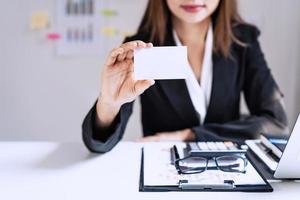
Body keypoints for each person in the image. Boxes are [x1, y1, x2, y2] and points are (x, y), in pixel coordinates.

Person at [82, 0, 288, 153]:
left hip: (228, 169)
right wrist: (109, 102)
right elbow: (98, 144)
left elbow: (276, 124)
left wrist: (189, 135)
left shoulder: (244, 41)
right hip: (162, 169)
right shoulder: (142, 47)